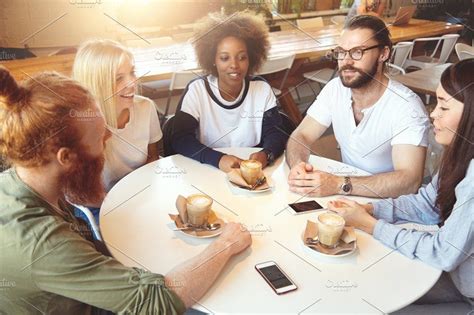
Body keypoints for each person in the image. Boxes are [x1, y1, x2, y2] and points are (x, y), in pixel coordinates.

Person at [0, 67, 251, 314]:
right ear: (66, 157)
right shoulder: (43, 245)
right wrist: (226, 244)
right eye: (99, 136)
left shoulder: (23, 180)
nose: (108, 136)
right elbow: (156, 305)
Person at [328, 59, 474, 314]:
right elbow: (428, 204)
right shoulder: (460, 152)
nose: (433, 114)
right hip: (457, 277)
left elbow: (444, 252)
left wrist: (370, 226)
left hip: (466, 292)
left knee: (381, 306)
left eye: (444, 106)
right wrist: (371, 209)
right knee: (373, 285)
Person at [286, 15, 430, 198]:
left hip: (390, 205)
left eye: (357, 52)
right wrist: (298, 165)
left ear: (383, 54)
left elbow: (409, 181)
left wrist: (339, 184)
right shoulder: (334, 89)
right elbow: (301, 135)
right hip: (348, 195)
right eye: (341, 52)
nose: (346, 61)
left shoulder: (407, 107)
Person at [170, 12, 288, 172]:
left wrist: (266, 154)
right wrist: (218, 159)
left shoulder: (261, 89)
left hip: (252, 171)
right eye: (225, 58)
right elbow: (180, 139)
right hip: (208, 169)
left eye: (242, 57)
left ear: (251, 58)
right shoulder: (197, 90)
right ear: (212, 59)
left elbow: (275, 132)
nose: (234, 65)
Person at [72, 40, 162, 217]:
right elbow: (78, 194)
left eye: (132, 72)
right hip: (100, 205)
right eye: (118, 78)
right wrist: (126, 206)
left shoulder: (146, 107)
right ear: (96, 83)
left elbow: (153, 156)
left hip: (140, 194)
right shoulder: (80, 125)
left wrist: (145, 196)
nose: (132, 83)